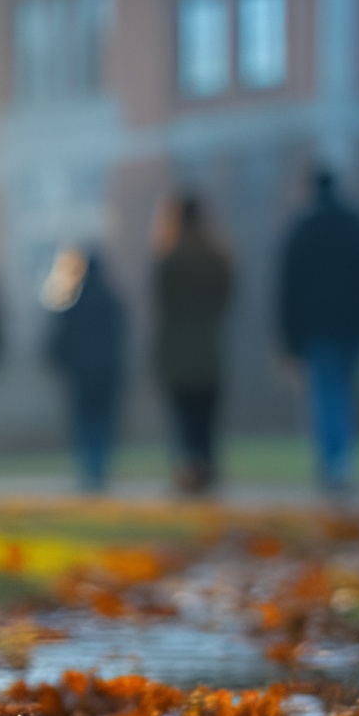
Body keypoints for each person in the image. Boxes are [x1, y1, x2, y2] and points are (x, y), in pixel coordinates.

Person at [277, 168, 359, 497]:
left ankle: (333, 462)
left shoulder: (302, 230)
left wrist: (289, 336)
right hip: (352, 325)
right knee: (342, 390)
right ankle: (342, 460)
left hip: (317, 327)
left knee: (324, 393)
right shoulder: (356, 225)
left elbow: (287, 290)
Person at [152, 195, 236, 494]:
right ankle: (207, 473)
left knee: (185, 420)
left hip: (177, 354)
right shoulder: (218, 260)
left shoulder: (169, 261)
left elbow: (161, 308)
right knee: (206, 421)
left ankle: (190, 472)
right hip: (209, 353)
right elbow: (226, 301)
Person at [43, 248, 126, 492]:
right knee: (103, 422)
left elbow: (58, 342)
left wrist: (66, 366)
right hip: (106, 375)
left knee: (84, 422)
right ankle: (98, 470)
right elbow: (120, 341)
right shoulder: (113, 303)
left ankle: (89, 471)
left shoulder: (74, 305)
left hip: (80, 376)